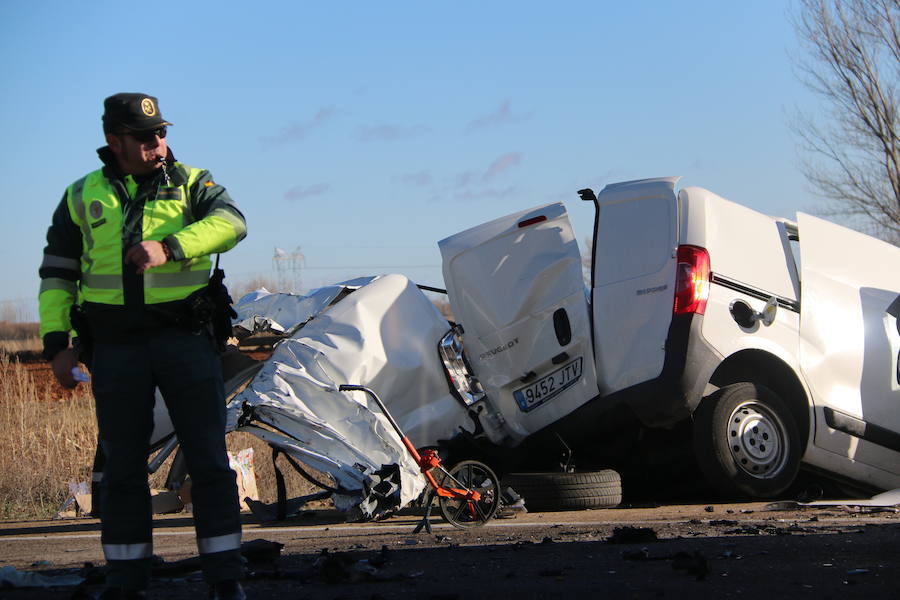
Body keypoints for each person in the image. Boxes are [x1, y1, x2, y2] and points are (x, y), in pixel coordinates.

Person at [38, 93, 248, 600]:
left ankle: (226, 580)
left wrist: (171, 246)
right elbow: (57, 276)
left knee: (208, 460)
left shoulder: (193, 182)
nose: (158, 143)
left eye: (162, 132)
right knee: (121, 468)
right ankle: (127, 580)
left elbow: (233, 225)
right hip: (115, 349)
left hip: (184, 339)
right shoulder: (79, 195)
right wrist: (56, 346)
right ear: (116, 142)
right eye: (146, 136)